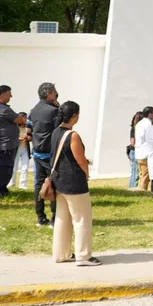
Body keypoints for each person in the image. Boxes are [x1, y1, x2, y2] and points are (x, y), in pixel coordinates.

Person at [49, 101, 100, 267]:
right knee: (82, 219)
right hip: (74, 183)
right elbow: (81, 161)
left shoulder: (56, 132)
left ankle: (61, 253)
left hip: (59, 181)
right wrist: (86, 173)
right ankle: (83, 256)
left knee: (62, 219)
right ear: (74, 116)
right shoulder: (73, 135)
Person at [29, 83, 60, 227]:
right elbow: (60, 130)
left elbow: (29, 128)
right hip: (50, 153)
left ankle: (40, 216)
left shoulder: (34, 110)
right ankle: (55, 218)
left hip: (37, 151)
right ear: (49, 93)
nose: (56, 94)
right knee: (54, 184)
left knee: (38, 184)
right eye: (54, 92)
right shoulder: (54, 110)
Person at [0, 85, 24, 196]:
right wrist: (20, 119)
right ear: (3, 95)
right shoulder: (3, 109)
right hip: (7, 143)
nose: (11, 96)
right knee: (5, 167)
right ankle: (1, 190)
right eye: (9, 94)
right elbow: (19, 119)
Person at [133, 106, 153, 192]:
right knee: (145, 175)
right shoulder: (148, 124)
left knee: (142, 174)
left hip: (139, 151)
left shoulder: (139, 123)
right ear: (150, 114)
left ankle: (140, 190)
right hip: (145, 151)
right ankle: (143, 192)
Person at [9, 112, 31, 190]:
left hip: (25, 148)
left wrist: (29, 137)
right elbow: (11, 138)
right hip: (16, 148)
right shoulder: (14, 127)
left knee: (25, 167)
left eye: (26, 118)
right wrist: (19, 138)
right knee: (14, 166)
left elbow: (31, 137)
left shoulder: (28, 128)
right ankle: (12, 182)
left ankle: (22, 184)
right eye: (24, 117)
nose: (25, 119)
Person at [127, 111, 142, 189]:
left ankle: (132, 187)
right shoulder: (135, 129)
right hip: (135, 151)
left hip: (134, 151)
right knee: (135, 172)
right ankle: (132, 188)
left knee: (134, 171)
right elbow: (133, 143)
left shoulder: (134, 128)